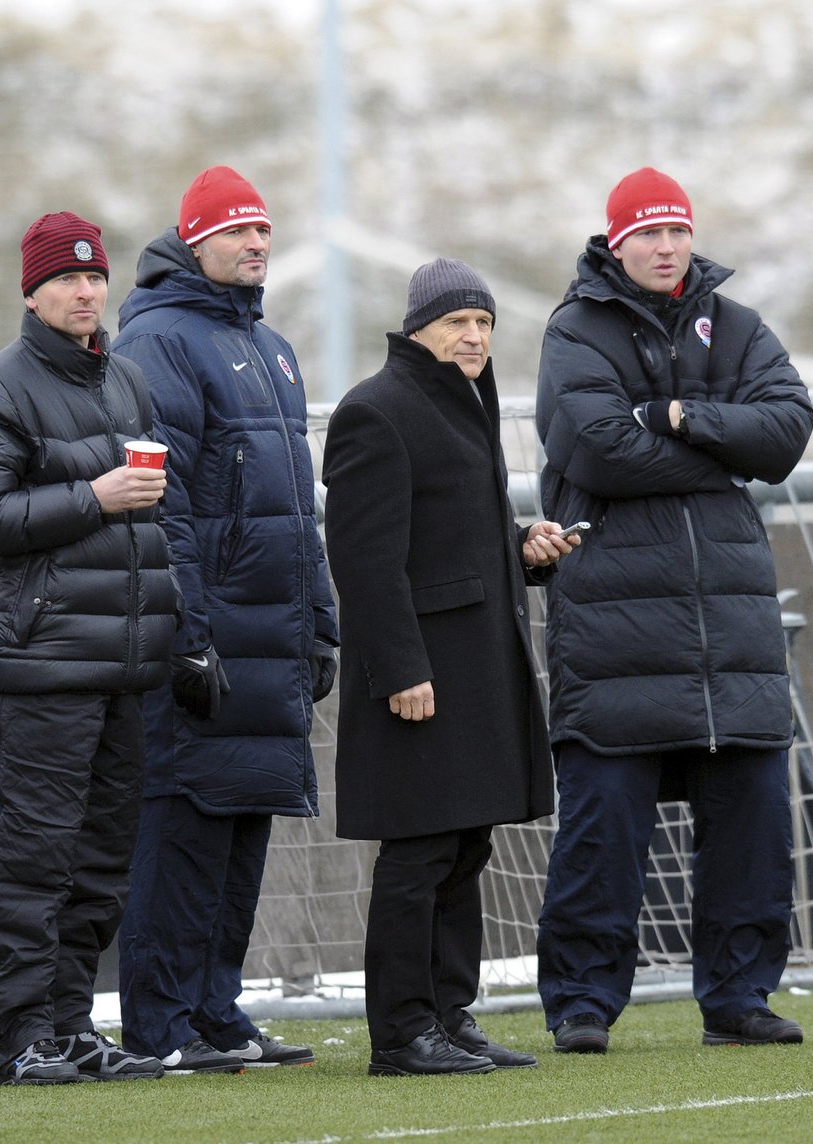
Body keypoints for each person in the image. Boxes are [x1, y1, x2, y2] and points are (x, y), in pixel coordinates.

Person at [534, 167, 813, 1052]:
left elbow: (789, 430)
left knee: (755, 827)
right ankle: (581, 1003)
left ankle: (739, 999)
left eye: (676, 233)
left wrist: (679, 412)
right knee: (602, 832)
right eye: (646, 234)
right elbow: (601, 451)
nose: (664, 247)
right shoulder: (573, 330)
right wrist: (724, 452)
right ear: (615, 243)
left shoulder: (735, 324)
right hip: (615, 626)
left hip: (731, 630)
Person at [321, 258, 580, 1077]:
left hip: (474, 669)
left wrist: (521, 551)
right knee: (420, 851)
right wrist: (400, 667)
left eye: (484, 324)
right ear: (417, 329)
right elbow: (363, 559)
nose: (473, 337)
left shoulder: (464, 404)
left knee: (467, 845)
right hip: (420, 675)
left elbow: (451, 538)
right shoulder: (375, 410)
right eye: (457, 323)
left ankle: (447, 1013)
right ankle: (400, 1033)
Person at [0, 212, 178, 1085]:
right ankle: (18, 1041)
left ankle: (72, 1026)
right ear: (31, 293)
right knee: (28, 859)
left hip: (121, 664)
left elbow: (158, 523)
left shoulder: (128, 383)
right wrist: (95, 494)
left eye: (95, 278)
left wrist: (174, 627)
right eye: (66, 280)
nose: (85, 292)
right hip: (39, 665)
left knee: (100, 861)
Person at [111, 165, 338, 1074]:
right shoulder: (162, 340)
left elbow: (299, 503)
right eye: (237, 232)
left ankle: (216, 1009)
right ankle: (160, 1022)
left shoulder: (273, 346)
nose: (255, 244)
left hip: (272, 630)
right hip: (209, 629)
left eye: (264, 232)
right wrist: (187, 631)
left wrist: (321, 617)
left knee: (246, 822)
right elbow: (164, 502)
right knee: (183, 828)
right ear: (194, 241)